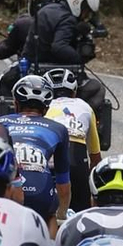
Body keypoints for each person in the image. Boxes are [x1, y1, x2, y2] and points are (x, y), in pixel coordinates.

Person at [30, 0, 113, 145]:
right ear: (78, 3)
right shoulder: (67, 19)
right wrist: (79, 59)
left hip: (34, 70)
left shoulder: (46, 10)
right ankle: (87, 135)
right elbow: (59, 47)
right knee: (96, 88)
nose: (85, 15)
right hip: (55, 72)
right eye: (85, 10)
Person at [0, 71, 72, 229]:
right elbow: (63, 182)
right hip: (39, 193)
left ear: (16, 103)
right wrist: (62, 215)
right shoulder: (58, 129)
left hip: (5, 190)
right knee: (50, 217)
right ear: (46, 108)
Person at [44, 66, 102, 211]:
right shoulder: (85, 107)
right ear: (74, 91)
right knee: (81, 214)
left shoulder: (43, 106)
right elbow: (95, 157)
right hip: (77, 161)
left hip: (48, 160)